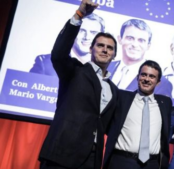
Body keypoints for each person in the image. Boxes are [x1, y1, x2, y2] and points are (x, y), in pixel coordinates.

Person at [39, 1, 118, 169]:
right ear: (91, 49)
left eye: (109, 48)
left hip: (91, 159)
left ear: (114, 55)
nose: (105, 50)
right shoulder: (75, 71)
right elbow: (59, 54)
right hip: (62, 155)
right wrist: (78, 16)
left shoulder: (113, 90)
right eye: (100, 45)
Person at [103, 60, 173, 169]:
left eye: (152, 76)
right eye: (143, 75)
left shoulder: (165, 103)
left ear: (158, 82)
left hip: (152, 164)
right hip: (122, 162)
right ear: (137, 77)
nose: (146, 79)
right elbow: (107, 124)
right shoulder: (122, 97)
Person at [107, 19, 172, 97]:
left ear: (148, 46)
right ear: (120, 39)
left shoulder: (162, 83)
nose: (135, 44)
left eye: (141, 40)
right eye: (130, 38)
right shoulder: (105, 67)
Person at [29, 12, 105, 76]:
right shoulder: (46, 63)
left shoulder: (107, 68)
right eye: (82, 31)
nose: (87, 37)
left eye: (93, 32)